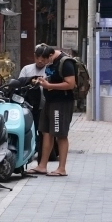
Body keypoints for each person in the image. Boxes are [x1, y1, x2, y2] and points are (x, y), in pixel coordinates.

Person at [31, 46, 76, 177]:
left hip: (61, 103)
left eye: (44, 60)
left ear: (51, 55)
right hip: (49, 101)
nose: (43, 63)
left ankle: (61, 168)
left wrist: (49, 86)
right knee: (46, 132)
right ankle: (42, 166)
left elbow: (70, 84)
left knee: (61, 134)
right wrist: (43, 82)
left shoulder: (66, 63)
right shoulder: (52, 62)